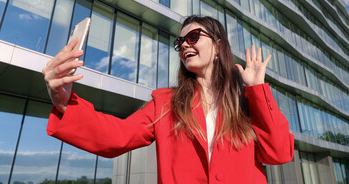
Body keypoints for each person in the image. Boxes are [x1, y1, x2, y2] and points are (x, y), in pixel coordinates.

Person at [43, 15, 294, 183]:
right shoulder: (165, 103)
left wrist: (257, 90)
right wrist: (64, 102)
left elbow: (279, 153)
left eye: (193, 37)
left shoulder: (247, 102)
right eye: (180, 42)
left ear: (218, 46)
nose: (185, 45)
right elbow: (116, 135)